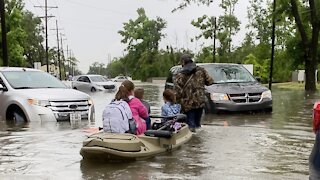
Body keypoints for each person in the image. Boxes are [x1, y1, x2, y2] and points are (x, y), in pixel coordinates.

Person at [174, 54, 214, 132]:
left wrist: (177, 103)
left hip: (187, 104)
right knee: (198, 125)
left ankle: (192, 142)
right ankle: (198, 141)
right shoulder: (201, 70)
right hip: (200, 101)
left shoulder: (180, 75)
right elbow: (210, 81)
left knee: (190, 127)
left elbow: (177, 91)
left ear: (183, 62)